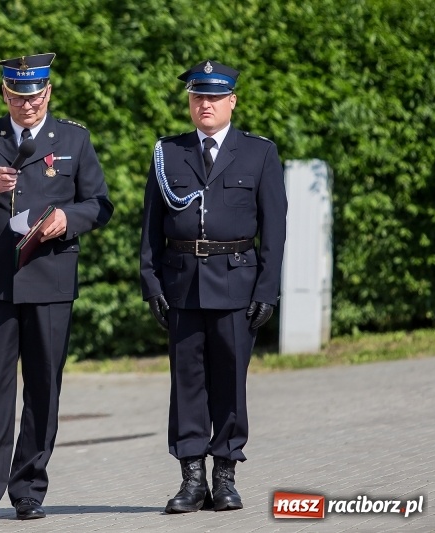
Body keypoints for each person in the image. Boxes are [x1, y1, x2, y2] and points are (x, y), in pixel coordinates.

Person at [0, 52, 113, 525]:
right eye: (19, 97)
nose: (28, 105)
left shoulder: (74, 139)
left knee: (43, 387)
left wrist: (67, 219)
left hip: (49, 276)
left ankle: (28, 489)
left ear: (49, 93)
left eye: (36, 97)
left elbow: (100, 204)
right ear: (5, 94)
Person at [140, 60, 287, 513]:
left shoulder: (259, 153)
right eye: (198, 96)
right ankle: (191, 480)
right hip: (182, 283)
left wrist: (267, 290)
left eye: (215, 97)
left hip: (237, 282)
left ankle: (225, 476)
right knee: (186, 384)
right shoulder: (169, 153)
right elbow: (150, 226)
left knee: (230, 382)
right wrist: (151, 281)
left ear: (232, 101)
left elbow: (275, 230)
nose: (205, 104)